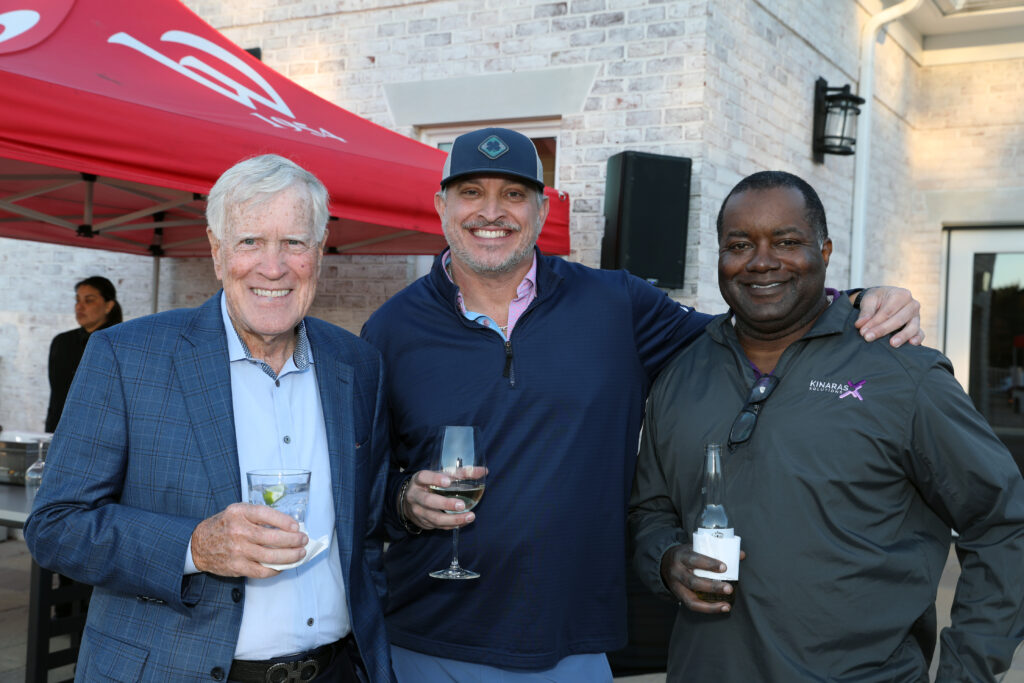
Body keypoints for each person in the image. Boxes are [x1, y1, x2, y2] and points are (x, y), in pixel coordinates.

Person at [360, 128, 926, 681]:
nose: (492, 212)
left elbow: (750, 330)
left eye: (513, 193)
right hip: (427, 640)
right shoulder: (390, 330)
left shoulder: (616, 304)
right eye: (470, 192)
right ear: (441, 206)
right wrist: (405, 501)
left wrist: (850, 300)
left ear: (541, 209)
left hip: (572, 643)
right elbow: (360, 488)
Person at [629, 170, 1024, 682]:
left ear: (826, 251)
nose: (762, 261)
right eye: (740, 245)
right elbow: (650, 510)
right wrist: (665, 560)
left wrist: (968, 672)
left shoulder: (902, 373)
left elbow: (1003, 522)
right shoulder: (681, 374)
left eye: (787, 242)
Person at [26, 155, 396, 683]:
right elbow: (55, 526)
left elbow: (366, 534)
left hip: (336, 670)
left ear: (319, 250)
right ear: (217, 252)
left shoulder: (357, 364)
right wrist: (194, 547)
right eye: (250, 242)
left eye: (294, 242)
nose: (273, 267)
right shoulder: (127, 356)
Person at [45, 275, 123, 432]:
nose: (79, 307)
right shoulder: (62, 342)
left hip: (103, 431)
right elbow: (57, 396)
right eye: (77, 300)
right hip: (61, 428)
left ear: (108, 306)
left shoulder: (121, 344)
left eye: (89, 300)